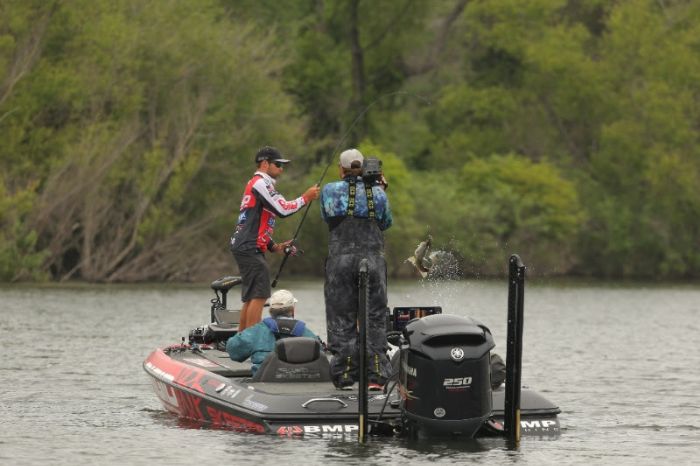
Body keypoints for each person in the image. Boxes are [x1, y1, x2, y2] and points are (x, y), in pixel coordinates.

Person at [320, 148, 392, 390]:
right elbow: (386, 222)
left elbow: (326, 216)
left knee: (341, 316)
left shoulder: (330, 190)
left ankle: (345, 374)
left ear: (341, 169)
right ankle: (376, 375)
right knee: (374, 317)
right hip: (372, 259)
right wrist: (381, 190)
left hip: (340, 260)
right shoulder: (378, 194)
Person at [230, 146, 320, 331]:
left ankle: (241, 339)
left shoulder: (259, 184)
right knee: (260, 295)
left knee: (251, 297)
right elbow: (283, 209)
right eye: (278, 164)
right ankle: (252, 340)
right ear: (264, 164)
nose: (281, 168)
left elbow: (254, 219)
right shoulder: (260, 183)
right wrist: (306, 197)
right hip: (248, 246)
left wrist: (273, 246)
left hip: (246, 244)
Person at [226, 289, 320, 375]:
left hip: (265, 383)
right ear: (292, 309)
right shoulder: (308, 334)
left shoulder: (256, 331)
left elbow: (234, 351)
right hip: (301, 382)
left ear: (271, 310)